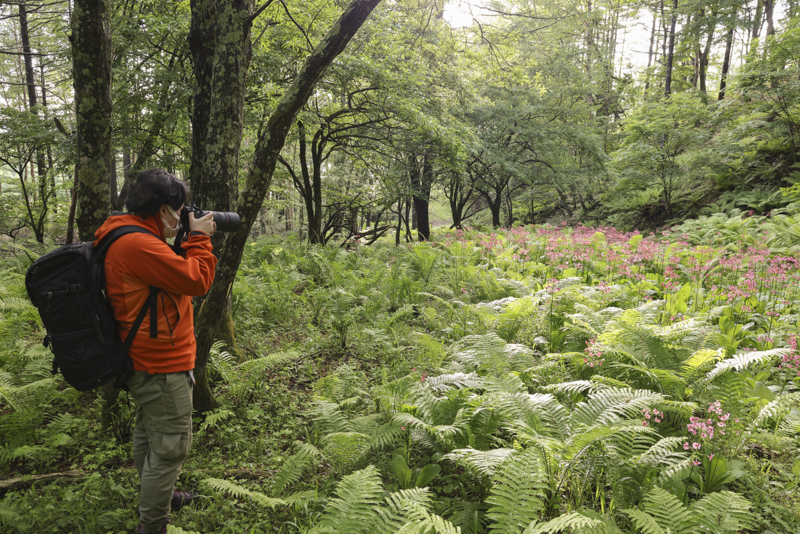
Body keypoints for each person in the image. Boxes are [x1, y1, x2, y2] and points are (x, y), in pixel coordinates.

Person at [93, 168, 217, 534]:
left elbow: (161, 280)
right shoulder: (138, 244)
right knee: (170, 448)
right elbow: (197, 280)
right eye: (178, 211)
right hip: (161, 364)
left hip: (143, 359)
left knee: (150, 435)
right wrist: (198, 239)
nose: (180, 217)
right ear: (163, 209)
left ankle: (161, 495)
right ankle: (152, 526)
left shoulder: (121, 231)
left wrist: (180, 241)